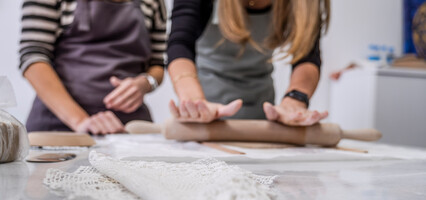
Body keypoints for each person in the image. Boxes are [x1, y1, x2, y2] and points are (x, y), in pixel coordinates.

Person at [167, 0, 330, 126]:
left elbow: (307, 55)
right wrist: (194, 101)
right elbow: (180, 45)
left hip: (263, 117)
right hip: (204, 113)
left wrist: (295, 101)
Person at [20, 0, 167, 134]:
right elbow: (33, 58)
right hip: (58, 128)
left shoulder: (154, 3)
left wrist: (146, 83)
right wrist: (80, 121)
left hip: (128, 129)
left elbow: (157, 64)